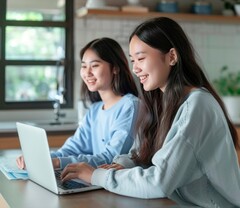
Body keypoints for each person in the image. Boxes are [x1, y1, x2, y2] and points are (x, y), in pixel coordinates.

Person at [60, 17, 240, 207]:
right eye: (132, 60)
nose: (135, 69)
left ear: (171, 57)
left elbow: (160, 181)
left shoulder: (197, 105)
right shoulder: (160, 101)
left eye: (141, 58)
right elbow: (141, 152)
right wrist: (124, 164)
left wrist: (96, 175)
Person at [17, 37, 139, 170]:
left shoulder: (130, 106)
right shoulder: (95, 110)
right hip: (96, 180)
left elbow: (112, 158)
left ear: (115, 68)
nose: (87, 72)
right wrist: (42, 158)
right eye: (84, 66)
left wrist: (58, 163)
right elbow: (73, 148)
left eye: (94, 65)